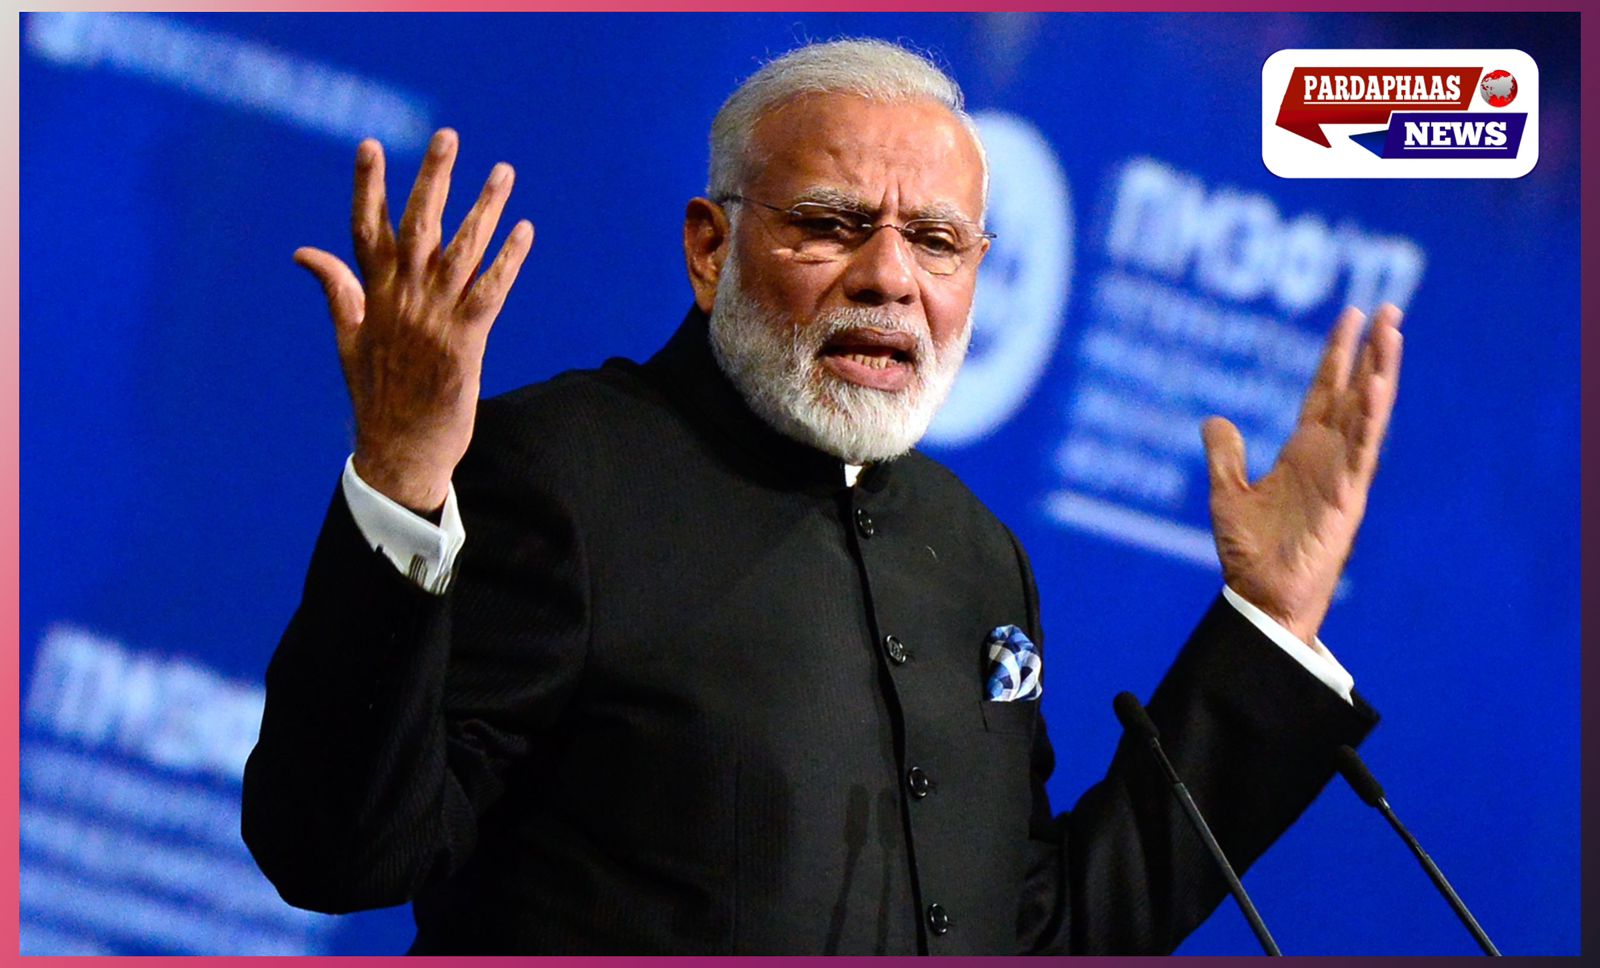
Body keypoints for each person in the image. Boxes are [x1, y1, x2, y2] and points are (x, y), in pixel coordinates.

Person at [242, 39, 1402, 955]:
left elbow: (1033, 934)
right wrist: (403, 483)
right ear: (710, 249)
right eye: (832, 224)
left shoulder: (974, 554)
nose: (889, 275)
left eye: (935, 241)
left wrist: (1270, 627)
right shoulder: (562, 472)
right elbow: (339, 851)